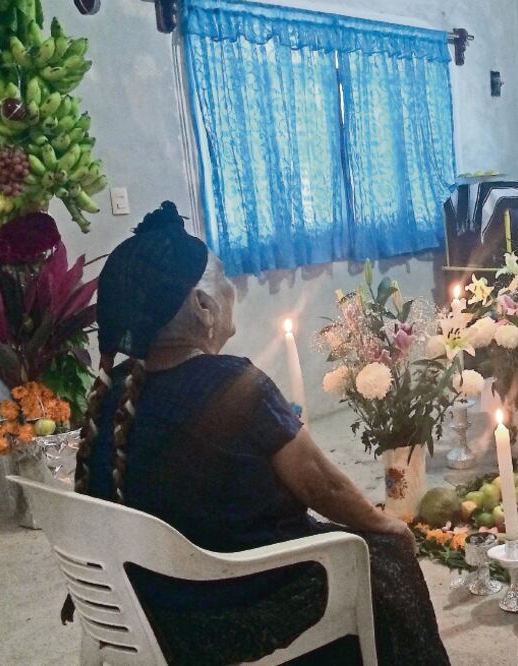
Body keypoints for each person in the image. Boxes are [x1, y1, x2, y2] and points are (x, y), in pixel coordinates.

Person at [68, 202, 450, 666]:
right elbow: (324, 486)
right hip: (238, 610)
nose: (231, 287)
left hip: (151, 606)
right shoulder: (233, 385)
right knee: (385, 553)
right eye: (223, 276)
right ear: (203, 306)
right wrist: (387, 524)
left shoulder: (111, 396)